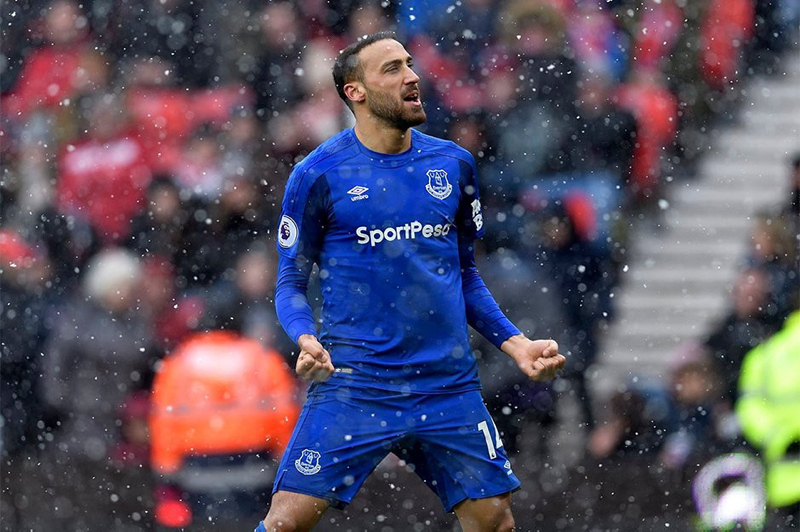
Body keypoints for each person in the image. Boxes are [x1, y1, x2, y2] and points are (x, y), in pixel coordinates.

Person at [256, 31, 566, 532]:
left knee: (495, 521)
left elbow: (464, 275)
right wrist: (305, 337)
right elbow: (290, 281)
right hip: (356, 385)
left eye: (409, 64)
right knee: (285, 523)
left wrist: (516, 344)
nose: (412, 76)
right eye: (393, 69)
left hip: (445, 385)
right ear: (355, 91)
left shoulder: (453, 164)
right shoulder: (317, 175)